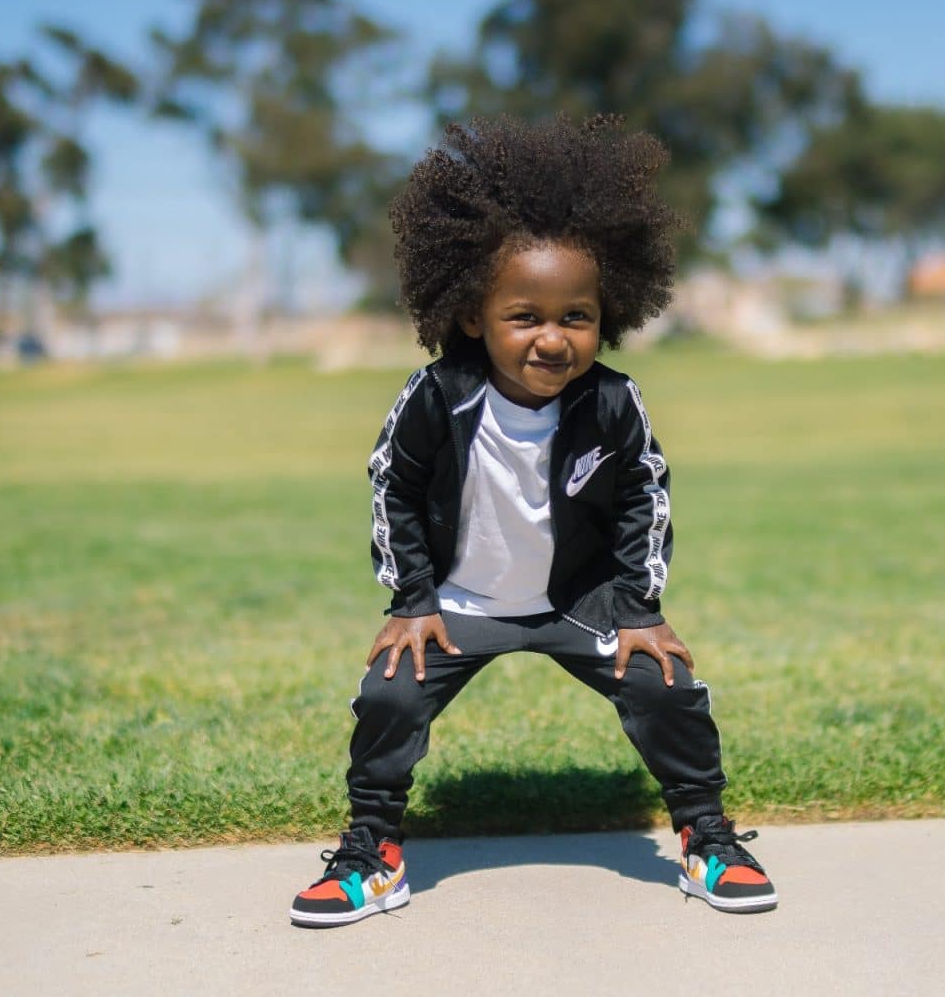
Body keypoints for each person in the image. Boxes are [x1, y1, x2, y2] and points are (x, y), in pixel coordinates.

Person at [290, 114, 777, 928]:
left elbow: (644, 499)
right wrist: (411, 599)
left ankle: (707, 835)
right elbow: (391, 487)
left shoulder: (612, 401)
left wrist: (639, 611)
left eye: (575, 317)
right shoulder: (439, 396)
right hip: (458, 608)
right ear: (475, 315)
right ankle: (372, 853)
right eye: (525, 316)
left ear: (606, 313)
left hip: (576, 602)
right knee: (389, 696)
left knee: (667, 685)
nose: (552, 340)